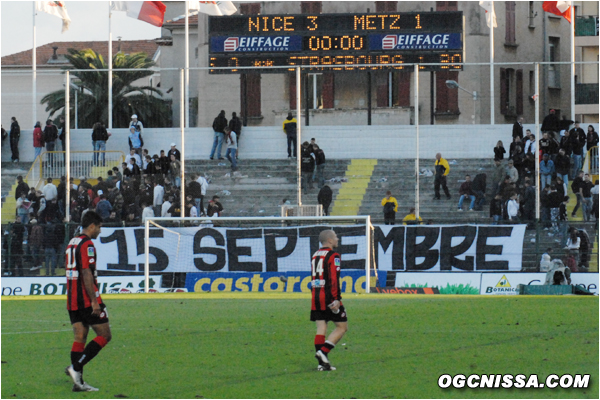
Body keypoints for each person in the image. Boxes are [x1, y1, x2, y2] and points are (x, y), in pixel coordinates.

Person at [65, 211, 111, 392]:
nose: (100, 231)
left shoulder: (72, 242)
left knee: (80, 337)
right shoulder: (87, 244)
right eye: (99, 227)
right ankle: (75, 368)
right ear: (92, 226)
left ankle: (79, 383)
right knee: (105, 335)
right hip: (85, 298)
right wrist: (94, 301)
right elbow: (86, 272)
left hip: (72, 299)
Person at [311, 229, 347, 372]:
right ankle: (323, 352)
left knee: (321, 328)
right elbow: (333, 278)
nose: (337, 239)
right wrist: (337, 299)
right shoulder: (333, 256)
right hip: (328, 295)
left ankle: (322, 364)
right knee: (342, 327)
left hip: (316, 294)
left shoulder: (315, 255)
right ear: (330, 241)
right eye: (336, 237)